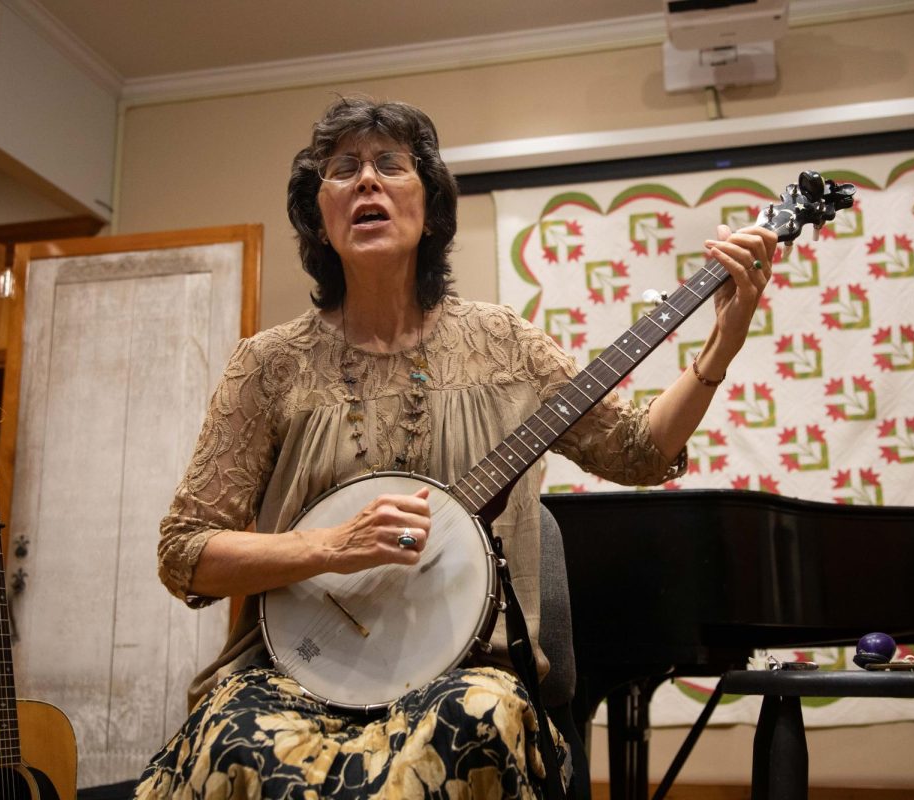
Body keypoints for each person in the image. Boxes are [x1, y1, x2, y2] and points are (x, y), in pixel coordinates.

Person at [135, 96, 777, 799]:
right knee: (238, 739)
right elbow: (184, 553)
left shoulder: (504, 344)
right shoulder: (267, 364)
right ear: (318, 214)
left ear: (432, 207)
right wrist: (328, 548)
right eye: (342, 168)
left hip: (465, 672)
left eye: (389, 164)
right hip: (293, 670)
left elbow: (638, 452)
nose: (366, 182)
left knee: (476, 724)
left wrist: (722, 344)